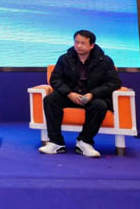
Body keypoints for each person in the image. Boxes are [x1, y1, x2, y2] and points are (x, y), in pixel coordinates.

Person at [39, 30, 121, 158]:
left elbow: (114, 82)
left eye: (83, 43)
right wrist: (69, 93)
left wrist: (92, 94)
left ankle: (84, 142)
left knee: (100, 105)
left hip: (92, 97)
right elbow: (55, 79)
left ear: (91, 45)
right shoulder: (65, 59)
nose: (78, 46)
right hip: (70, 95)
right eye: (76, 42)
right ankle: (56, 143)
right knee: (50, 100)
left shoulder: (104, 61)